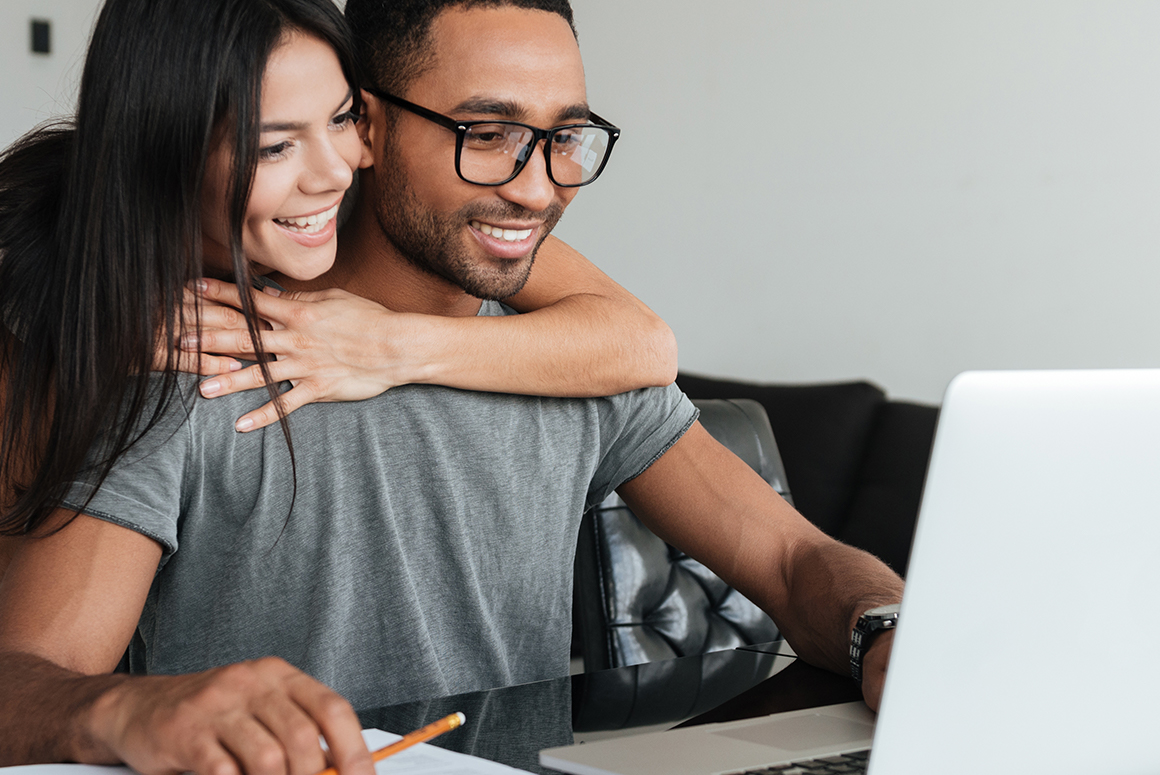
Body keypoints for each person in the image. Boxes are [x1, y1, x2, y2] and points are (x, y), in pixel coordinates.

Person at [0, 1, 905, 774]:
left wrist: (884, 629)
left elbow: (795, 561)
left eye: (564, 138)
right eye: (490, 134)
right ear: (378, 125)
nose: (539, 186)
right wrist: (128, 710)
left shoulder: (573, 363)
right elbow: (23, 674)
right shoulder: (194, 357)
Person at [0, 0, 675, 563]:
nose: (337, 169)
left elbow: (642, 344)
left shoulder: (355, 203)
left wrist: (388, 345)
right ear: (168, 152)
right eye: (274, 144)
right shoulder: (49, 290)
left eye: (342, 117)